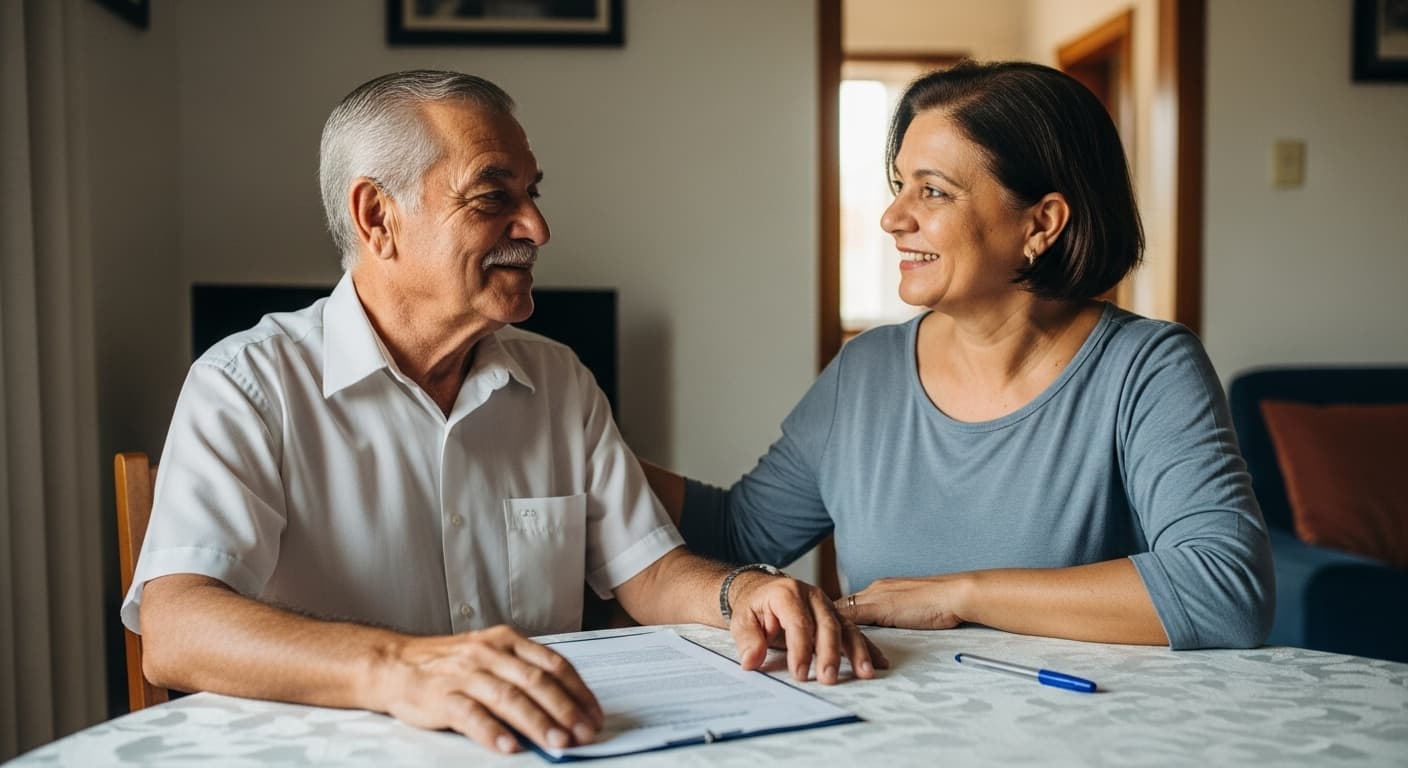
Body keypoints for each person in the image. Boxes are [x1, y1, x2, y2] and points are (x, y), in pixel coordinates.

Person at [122, 70, 881, 757]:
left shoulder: (557, 380)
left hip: (537, 747)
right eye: (494, 198)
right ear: (377, 216)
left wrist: (739, 592)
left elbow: (649, 572)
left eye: (533, 194)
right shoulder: (246, 385)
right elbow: (177, 628)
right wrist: (403, 668)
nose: (537, 229)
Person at [647, 61, 1274, 651]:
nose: (894, 217)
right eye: (899, 186)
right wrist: (572, 438)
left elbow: (1225, 591)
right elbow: (739, 533)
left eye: (934, 192)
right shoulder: (865, 371)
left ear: (1042, 223)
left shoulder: (1147, 367)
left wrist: (959, 595)